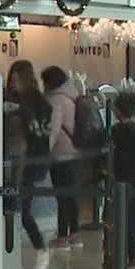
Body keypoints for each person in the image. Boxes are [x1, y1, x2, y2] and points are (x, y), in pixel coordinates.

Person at [4, 59, 53, 269]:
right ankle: (8, 255)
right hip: (8, 163)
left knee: (22, 212)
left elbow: (40, 134)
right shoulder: (8, 100)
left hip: (26, 165)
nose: (14, 84)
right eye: (11, 80)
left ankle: (40, 248)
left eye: (17, 80)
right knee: (9, 211)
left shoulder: (37, 104)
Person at [41, 65, 85, 249]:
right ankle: (75, 234)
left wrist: (44, 152)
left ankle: (62, 235)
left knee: (62, 196)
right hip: (75, 152)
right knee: (71, 195)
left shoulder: (55, 101)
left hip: (61, 154)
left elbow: (54, 130)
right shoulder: (72, 96)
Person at [108, 90, 135, 268]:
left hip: (123, 180)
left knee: (122, 219)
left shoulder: (117, 130)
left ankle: (127, 256)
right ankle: (134, 256)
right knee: (132, 218)